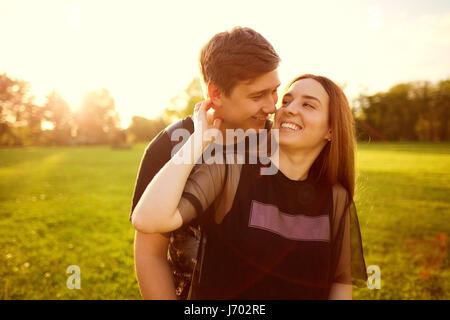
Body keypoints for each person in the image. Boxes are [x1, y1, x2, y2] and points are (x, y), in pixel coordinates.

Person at [132, 74, 368, 299]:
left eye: (308, 105)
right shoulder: (228, 170)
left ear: (331, 130)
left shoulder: (336, 198)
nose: (289, 108)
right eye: (286, 100)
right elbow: (147, 219)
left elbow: (340, 280)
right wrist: (198, 139)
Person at [129, 26, 281, 299]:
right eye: (258, 96)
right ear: (217, 93)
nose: (272, 106)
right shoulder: (169, 146)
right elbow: (150, 254)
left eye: (275, 91)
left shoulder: (281, 142)